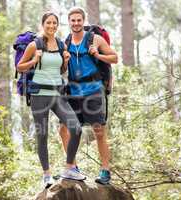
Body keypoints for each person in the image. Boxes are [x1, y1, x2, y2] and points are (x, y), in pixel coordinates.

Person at [17, 12, 86, 189]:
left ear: (57, 25)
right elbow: (20, 67)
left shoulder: (61, 44)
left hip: (57, 94)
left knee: (76, 128)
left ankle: (69, 167)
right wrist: (34, 59)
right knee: (42, 135)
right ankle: (46, 175)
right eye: (48, 23)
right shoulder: (35, 44)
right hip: (39, 94)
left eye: (54, 23)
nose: (52, 26)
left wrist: (65, 61)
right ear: (43, 24)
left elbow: (61, 70)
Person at [59, 7, 118, 185]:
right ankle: (72, 167)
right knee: (63, 129)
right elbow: (62, 70)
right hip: (73, 91)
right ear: (68, 22)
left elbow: (114, 58)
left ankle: (105, 170)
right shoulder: (65, 43)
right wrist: (65, 62)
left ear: (83, 21)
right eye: (73, 20)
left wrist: (98, 54)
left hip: (93, 89)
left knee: (99, 130)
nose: (76, 23)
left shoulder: (95, 39)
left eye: (79, 20)